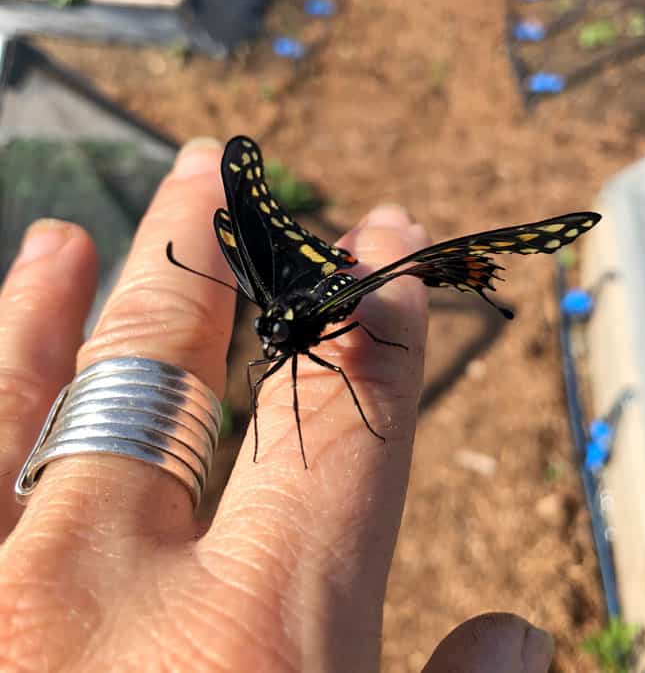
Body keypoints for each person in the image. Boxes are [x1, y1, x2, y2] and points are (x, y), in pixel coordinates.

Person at [0, 138, 554, 672]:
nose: (266, 346)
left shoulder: (310, 328)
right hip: (310, 281)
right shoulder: (274, 329)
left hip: (334, 288)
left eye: (271, 336)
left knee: (334, 360)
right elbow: (268, 358)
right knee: (277, 363)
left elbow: (328, 361)